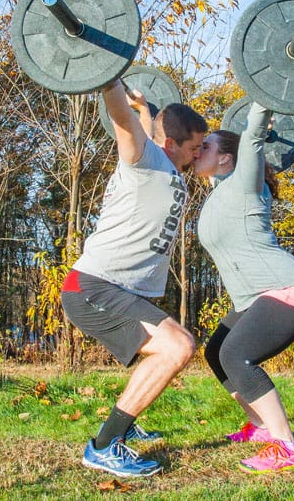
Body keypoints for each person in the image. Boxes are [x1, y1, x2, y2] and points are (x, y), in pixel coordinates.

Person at [61, 78, 208, 478]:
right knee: (178, 347)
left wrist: (145, 107)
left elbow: (142, 121)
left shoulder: (163, 162)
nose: (199, 157)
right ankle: (106, 445)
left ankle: (127, 423)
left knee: (168, 347)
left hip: (116, 288)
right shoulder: (144, 160)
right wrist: (107, 77)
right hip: (92, 286)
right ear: (171, 143)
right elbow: (122, 119)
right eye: (195, 148)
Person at [193, 101, 294, 474]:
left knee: (236, 355)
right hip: (256, 297)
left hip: (286, 289)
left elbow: (250, 138)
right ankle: (261, 427)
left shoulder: (246, 184)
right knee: (216, 352)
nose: (199, 150)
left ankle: (287, 447)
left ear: (227, 160)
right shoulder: (219, 191)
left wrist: (263, 101)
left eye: (208, 146)